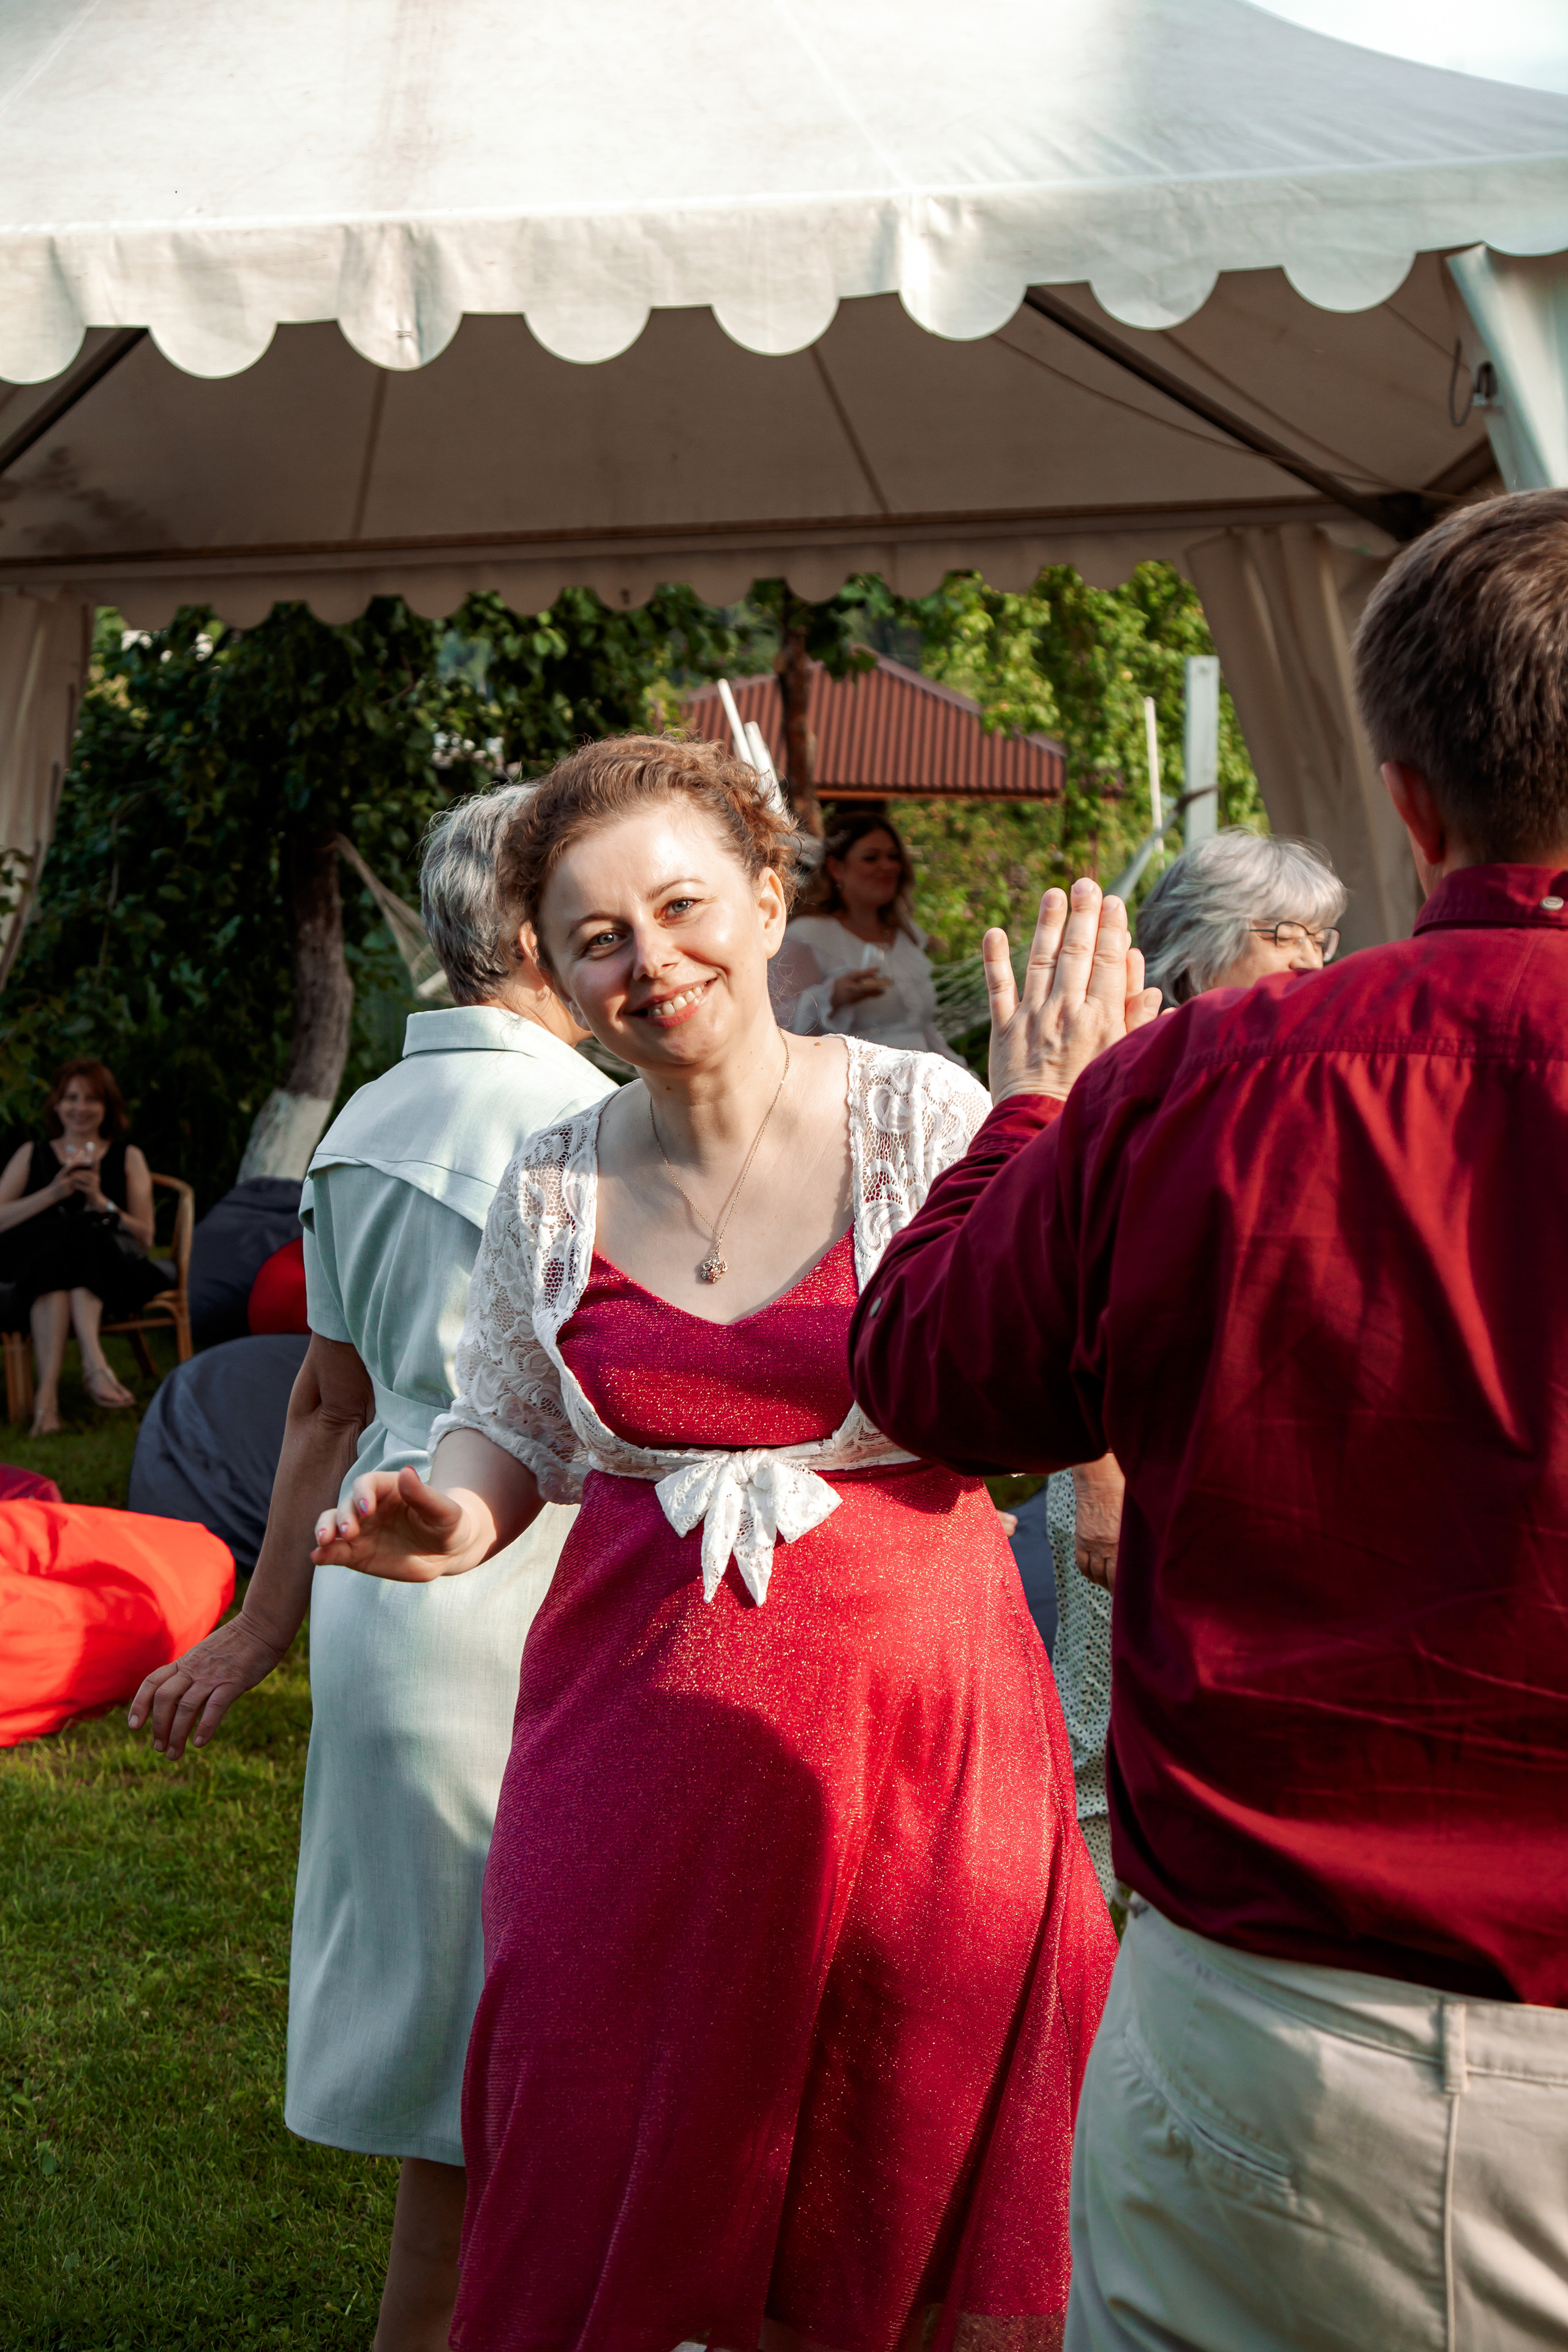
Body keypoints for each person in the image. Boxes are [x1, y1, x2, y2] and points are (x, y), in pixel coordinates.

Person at [850, 488, 1568, 2351]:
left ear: (1405, 805)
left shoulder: (1187, 1086)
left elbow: (925, 1368)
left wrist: (1031, 1103)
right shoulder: (1201, 1080)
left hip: (1266, 2036)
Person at [313, 734, 1116, 2352]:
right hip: (627, 1757)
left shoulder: (922, 1115)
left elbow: (1023, 1391)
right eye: (596, 936)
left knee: (893, 2156)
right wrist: (453, 1512)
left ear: (767, 897)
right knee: (607, 2124)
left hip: (917, 1753)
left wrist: (1056, 1131)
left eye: (683, 908)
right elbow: (517, 1421)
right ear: (549, 959)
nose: (649, 962)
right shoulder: (549, 1177)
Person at [129, 783, 614, 2352]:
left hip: (385, 1605)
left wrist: (261, 1628)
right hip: (519, 1581)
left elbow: (324, 1404)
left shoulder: (363, 1120)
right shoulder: (579, 1128)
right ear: (537, 927)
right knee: (536, 2070)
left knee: (465, 2103)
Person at [1050, 830, 1348, 1900]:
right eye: (1279, 935)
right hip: (1126, 1467)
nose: (1311, 960)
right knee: (1094, 1752)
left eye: (1322, 936)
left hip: (1251, 1476)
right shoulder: (1130, 1082)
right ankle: (1074, 2017)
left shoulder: (1305, 1075)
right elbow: (1077, 1301)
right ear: (1199, 943)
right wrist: (1099, 1486)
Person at [0, 1058, 165, 1434]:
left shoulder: (128, 1156)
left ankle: (46, 1401)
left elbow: (145, 1238)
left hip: (112, 1269)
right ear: (56, 1105)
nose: (80, 1107)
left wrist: (100, 1202)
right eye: (70, 1098)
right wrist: (54, 1193)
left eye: (92, 1098)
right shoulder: (32, 1153)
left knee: (81, 1236)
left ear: (107, 1106)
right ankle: (94, 1364)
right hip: (34, 1265)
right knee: (69, 1239)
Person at [772, 804, 963, 1058]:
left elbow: (921, 1030)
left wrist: (965, 1076)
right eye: (871, 858)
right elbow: (777, 1025)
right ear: (836, 868)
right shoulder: (808, 936)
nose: (887, 866)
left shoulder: (907, 935)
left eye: (893, 857)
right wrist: (832, 996)